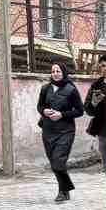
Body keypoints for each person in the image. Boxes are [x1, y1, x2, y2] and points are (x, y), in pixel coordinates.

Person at [37, 62, 84, 201]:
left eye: (58, 71)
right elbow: (40, 106)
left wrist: (62, 114)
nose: (55, 74)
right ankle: (65, 190)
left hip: (66, 131)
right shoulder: (45, 88)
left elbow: (80, 111)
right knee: (54, 163)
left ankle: (63, 191)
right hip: (48, 130)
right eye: (53, 72)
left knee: (58, 162)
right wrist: (43, 111)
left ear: (63, 72)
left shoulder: (71, 89)